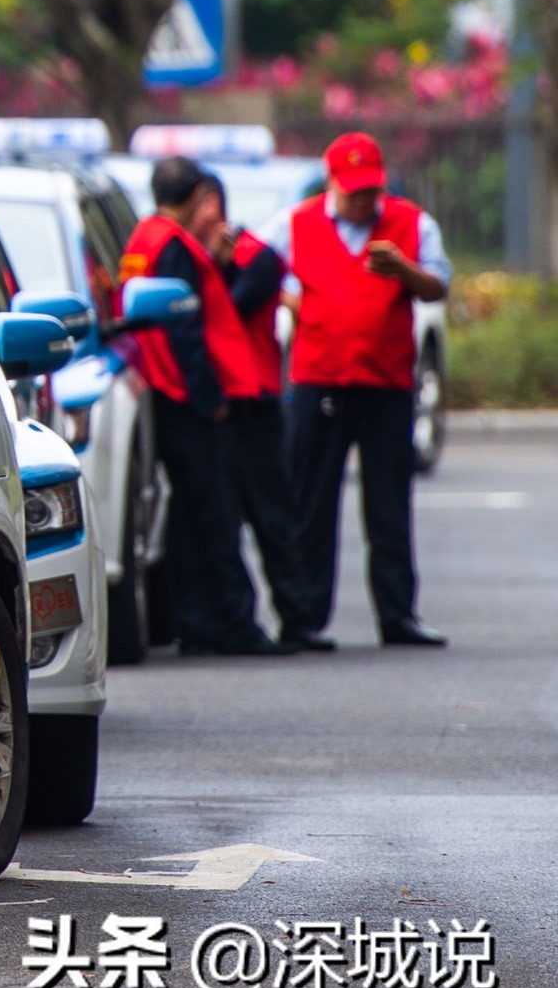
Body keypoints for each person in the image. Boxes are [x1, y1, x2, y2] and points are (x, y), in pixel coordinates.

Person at [117, 155, 299, 656]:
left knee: (191, 515)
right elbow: (186, 332)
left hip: (165, 393)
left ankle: (197, 620)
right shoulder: (173, 246)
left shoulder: (143, 240)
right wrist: (209, 397)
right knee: (215, 514)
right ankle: (233, 624)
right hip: (188, 401)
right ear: (200, 196)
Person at [286, 132, 450, 647]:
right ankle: (304, 616)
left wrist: (403, 269)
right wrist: (300, 308)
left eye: (370, 191)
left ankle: (398, 615)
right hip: (321, 380)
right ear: (332, 182)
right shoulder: (295, 223)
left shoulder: (411, 222)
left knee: (388, 503)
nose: (363, 201)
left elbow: (439, 285)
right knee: (312, 502)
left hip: (384, 382)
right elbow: (259, 271)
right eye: (353, 191)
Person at [194, 175, 326, 652]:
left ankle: (299, 619)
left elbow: (225, 312)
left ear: (212, 207)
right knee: (219, 518)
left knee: (273, 516)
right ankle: (223, 621)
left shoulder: (258, 256)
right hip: (215, 405)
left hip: (255, 401)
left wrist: (218, 266)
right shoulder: (194, 259)